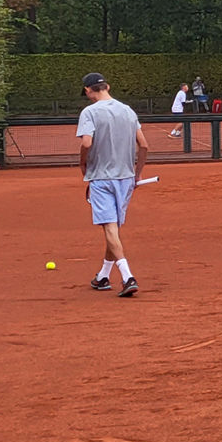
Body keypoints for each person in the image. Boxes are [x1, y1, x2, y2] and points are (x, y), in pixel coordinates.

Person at [78, 73, 148, 297]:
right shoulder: (128, 110)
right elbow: (144, 146)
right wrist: (137, 174)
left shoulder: (89, 112)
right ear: (107, 86)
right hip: (126, 178)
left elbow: (87, 143)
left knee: (109, 228)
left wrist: (83, 166)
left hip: (101, 177)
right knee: (113, 229)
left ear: (89, 90)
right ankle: (102, 277)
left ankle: (128, 277)